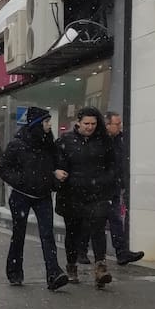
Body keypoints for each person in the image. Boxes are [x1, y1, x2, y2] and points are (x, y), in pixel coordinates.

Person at [0, 107, 69, 291]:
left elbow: (54, 165)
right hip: (21, 196)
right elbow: (3, 168)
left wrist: (55, 176)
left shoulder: (49, 144)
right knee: (18, 234)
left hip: (43, 195)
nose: (49, 124)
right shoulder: (17, 144)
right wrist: (20, 181)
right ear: (37, 124)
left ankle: (53, 273)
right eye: (46, 121)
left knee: (47, 234)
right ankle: (14, 272)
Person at [55, 107, 118, 288]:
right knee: (73, 232)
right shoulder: (66, 141)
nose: (90, 127)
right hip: (72, 193)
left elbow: (112, 165)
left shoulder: (103, 142)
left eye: (93, 124)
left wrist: (106, 181)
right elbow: (58, 162)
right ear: (78, 123)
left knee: (98, 228)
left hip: (97, 192)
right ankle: (71, 265)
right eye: (86, 124)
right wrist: (59, 174)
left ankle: (100, 267)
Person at [104, 112, 144, 265]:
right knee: (95, 222)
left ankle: (121, 252)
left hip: (114, 186)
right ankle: (82, 252)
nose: (120, 127)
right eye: (117, 124)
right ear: (108, 125)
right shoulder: (101, 141)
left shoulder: (122, 140)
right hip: (100, 186)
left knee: (115, 219)